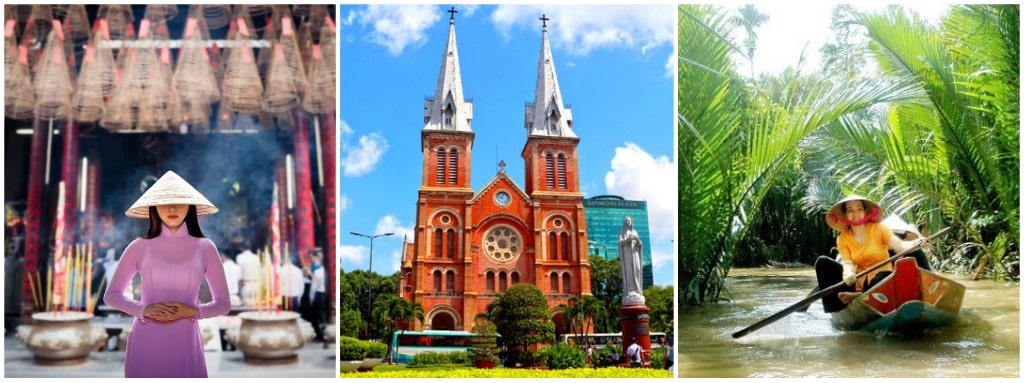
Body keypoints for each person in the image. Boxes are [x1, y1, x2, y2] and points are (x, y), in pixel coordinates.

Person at [103, 170, 231, 378]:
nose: (172, 208)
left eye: (179, 202)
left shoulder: (205, 247)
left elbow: (224, 303)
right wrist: (144, 309)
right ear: (154, 207)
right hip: (146, 338)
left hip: (185, 339)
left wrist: (190, 311)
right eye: (164, 202)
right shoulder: (139, 246)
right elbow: (112, 295)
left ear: (190, 206)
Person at [815, 195, 923, 313]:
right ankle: (837, 311)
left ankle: (859, 295)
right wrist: (848, 273)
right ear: (845, 215)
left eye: (859, 209)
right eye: (850, 210)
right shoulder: (842, 239)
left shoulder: (879, 229)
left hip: (882, 281)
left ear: (866, 212)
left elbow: (899, 245)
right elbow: (847, 262)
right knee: (822, 262)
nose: (855, 213)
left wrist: (915, 243)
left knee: (883, 276)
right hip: (858, 282)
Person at [617, 216, 645, 305]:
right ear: (624, 222)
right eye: (626, 221)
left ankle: (637, 290)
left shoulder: (635, 232)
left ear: (631, 222)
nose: (627, 222)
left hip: (634, 253)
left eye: (629, 220)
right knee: (629, 272)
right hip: (627, 254)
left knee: (637, 269)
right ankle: (630, 291)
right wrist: (627, 240)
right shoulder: (621, 232)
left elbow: (640, 244)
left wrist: (636, 239)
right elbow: (620, 242)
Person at [235, 240, 262, 306]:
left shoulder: (240, 257)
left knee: (246, 306)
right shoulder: (256, 257)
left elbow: (240, 271)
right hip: (256, 284)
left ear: (241, 248)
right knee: (256, 306)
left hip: (246, 284)